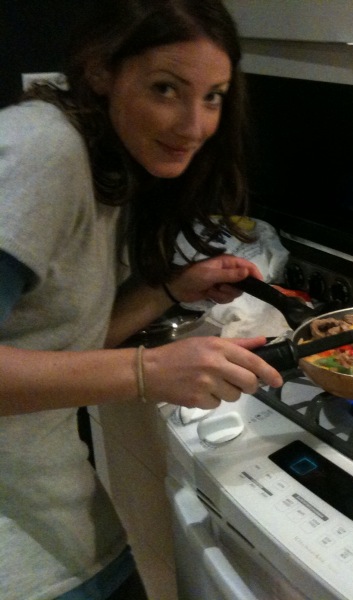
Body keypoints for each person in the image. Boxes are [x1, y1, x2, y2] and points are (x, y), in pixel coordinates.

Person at [0, 1, 285, 598]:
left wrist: (169, 290)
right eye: (166, 89)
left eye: (213, 96)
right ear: (103, 71)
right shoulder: (43, 152)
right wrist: (145, 369)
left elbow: (58, 342)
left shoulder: (105, 162)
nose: (193, 124)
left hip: (54, 517)